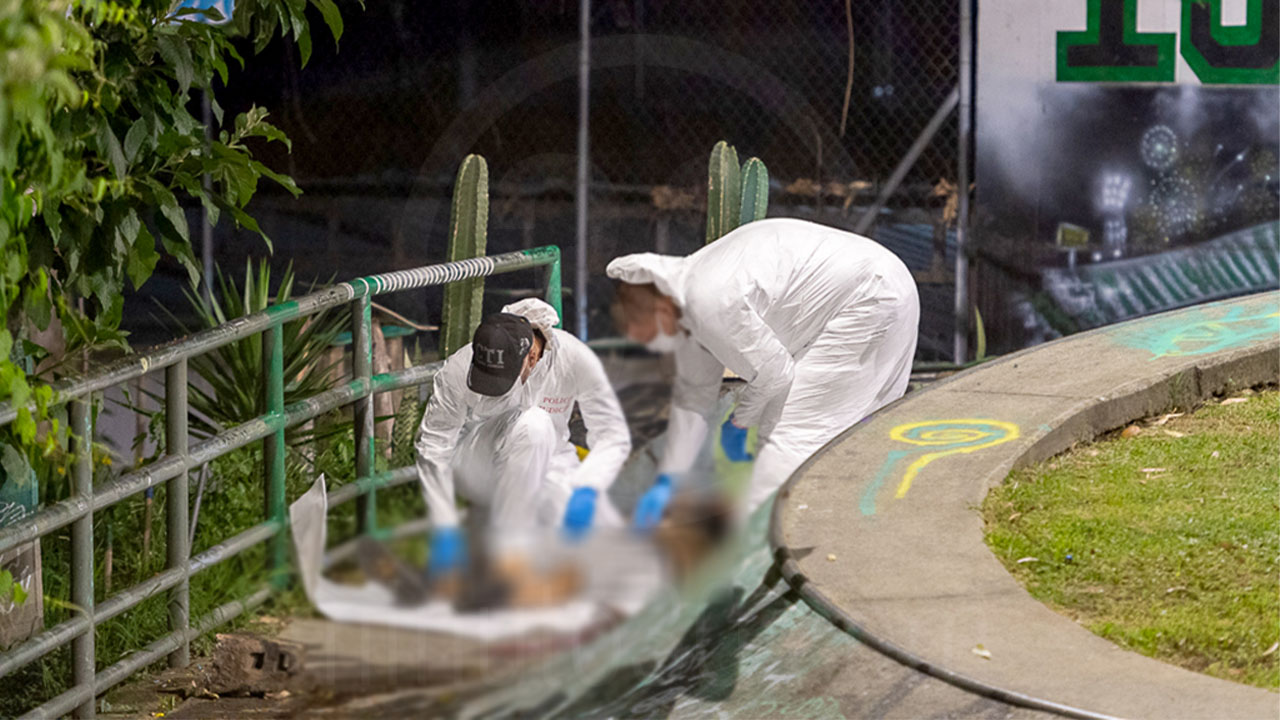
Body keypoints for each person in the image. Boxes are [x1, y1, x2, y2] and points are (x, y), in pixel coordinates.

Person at [608, 217, 919, 520]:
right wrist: (667, 483)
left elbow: (776, 374)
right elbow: (693, 402)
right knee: (849, 432)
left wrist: (739, 422)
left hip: (870, 297)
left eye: (645, 332)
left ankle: (756, 556)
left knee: (787, 436)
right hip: (882, 284)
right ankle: (838, 531)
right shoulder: (688, 301)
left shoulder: (707, 302)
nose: (648, 344)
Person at [414, 298, 632, 579]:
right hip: (477, 464)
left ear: (531, 356)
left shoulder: (574, 359)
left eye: (503, 378)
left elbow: (613, 433)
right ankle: (510, 554)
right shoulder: (460, 365)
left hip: (548, 464)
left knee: (610, 543)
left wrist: (589, 487)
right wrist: (443, 525)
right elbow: (434, 445)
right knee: (535, 424)